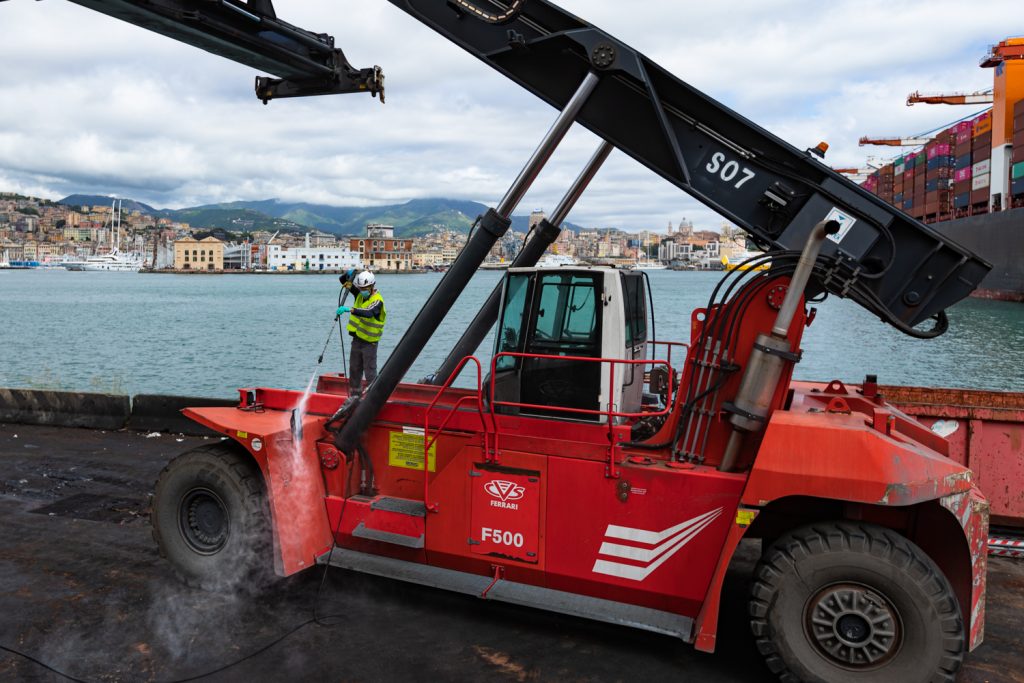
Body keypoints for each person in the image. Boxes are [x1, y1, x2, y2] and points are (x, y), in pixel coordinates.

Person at [336, 270, 386, 397]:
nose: (362, 290)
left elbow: (369, 312)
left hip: (370, 343)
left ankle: (373, 396)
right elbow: (343, 281)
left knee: (370, 372)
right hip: (357, 340)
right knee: (354, 369)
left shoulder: (377, 301)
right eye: (361, 288)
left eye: (365, 288)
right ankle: (355, 395)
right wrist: (348, 274)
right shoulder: (358, 294)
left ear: (372, 287)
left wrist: (349, 309)